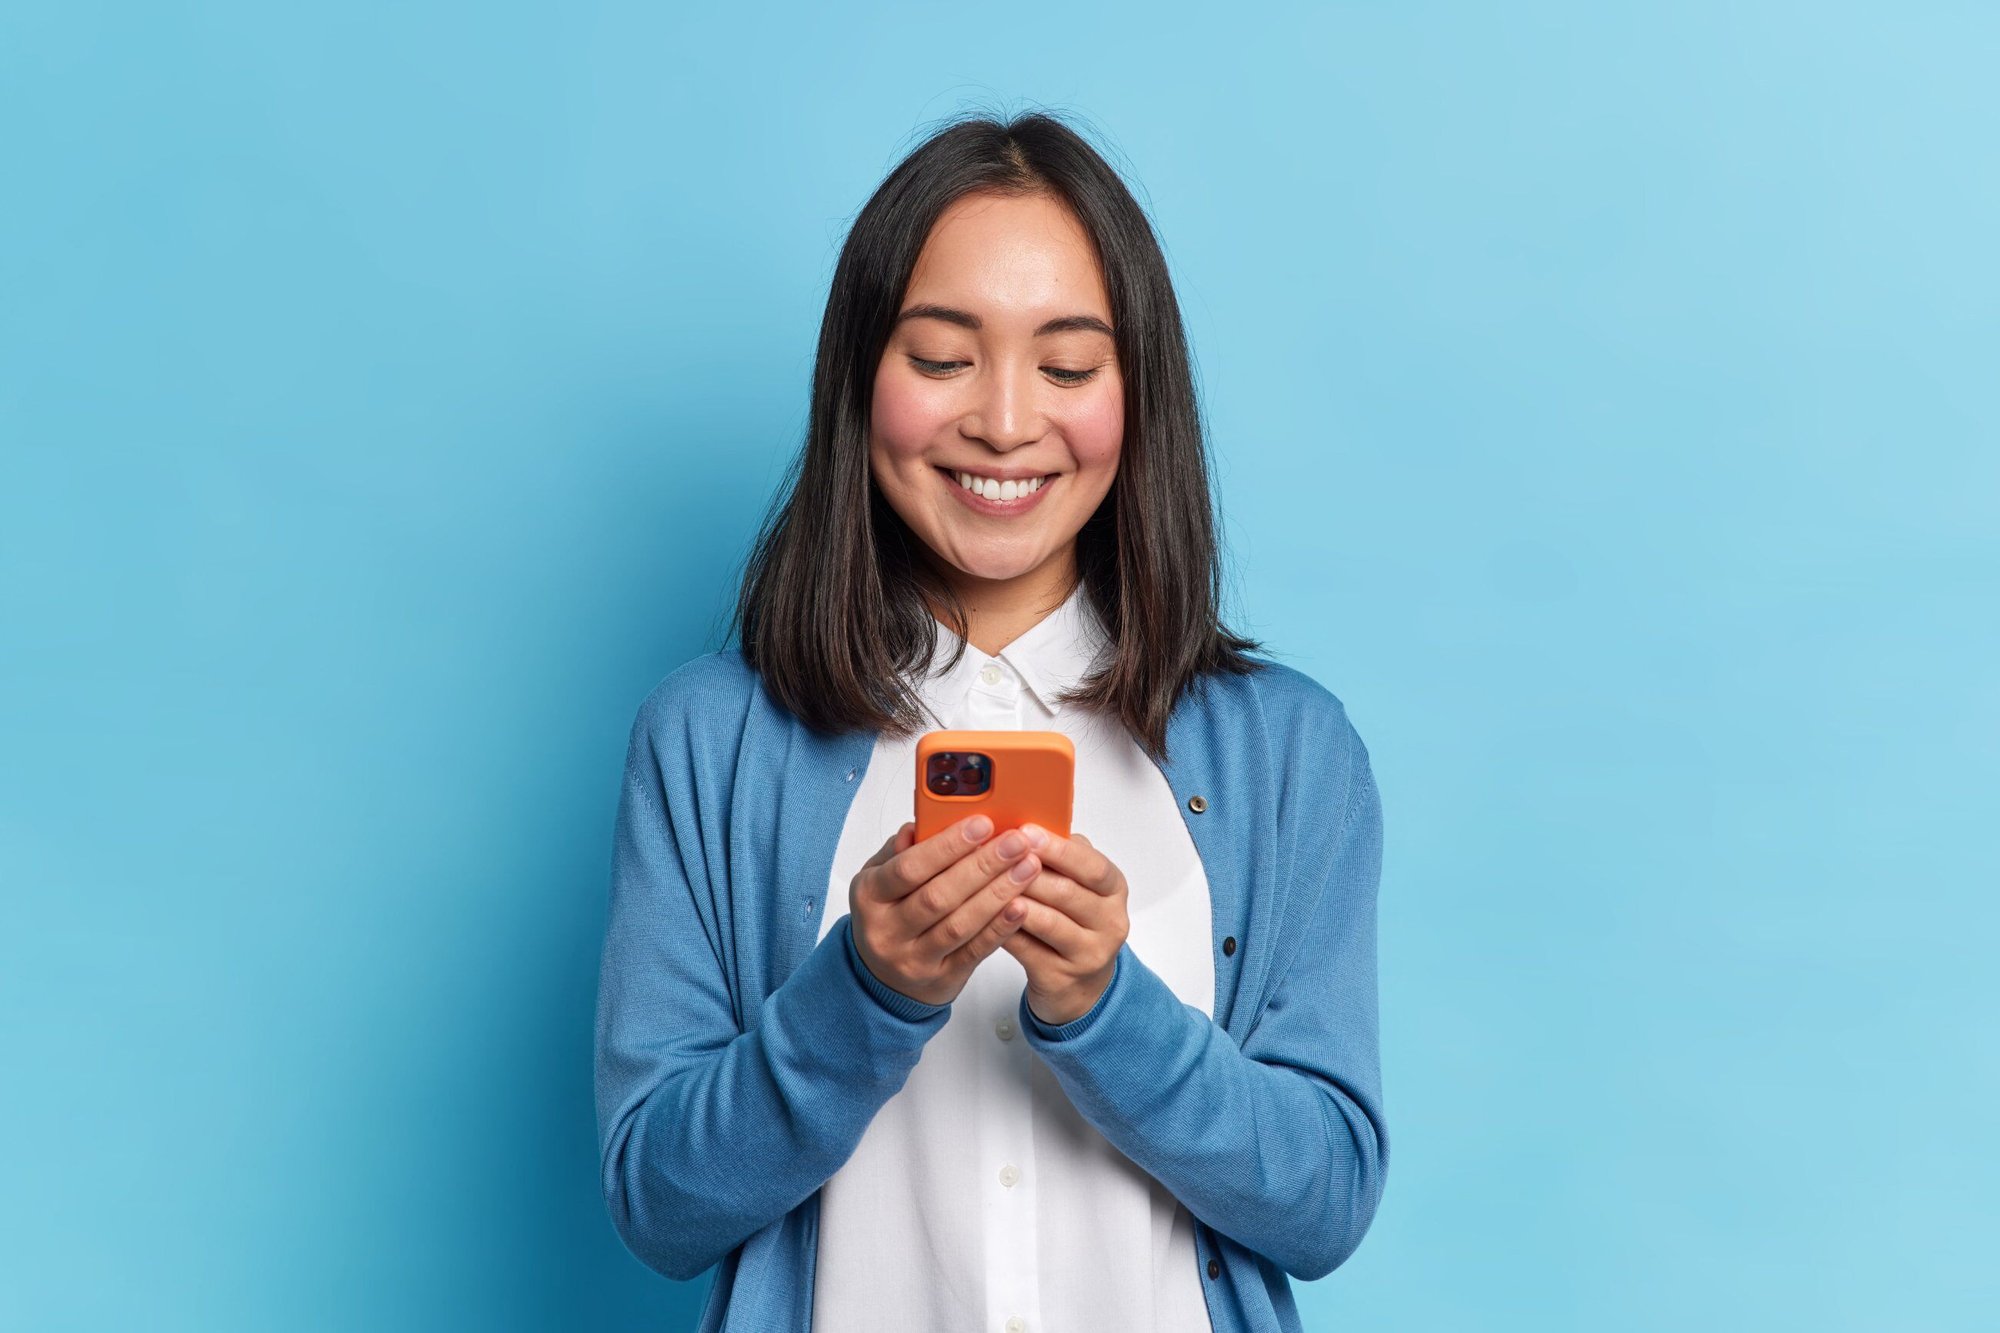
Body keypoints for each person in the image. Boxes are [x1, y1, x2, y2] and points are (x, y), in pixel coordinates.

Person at [594, 110, 1387, 1333]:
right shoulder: (710, 740)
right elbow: (658, 1204)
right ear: (860, 378)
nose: (1006, 421)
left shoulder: (1289, 755)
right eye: (941, 355)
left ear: (1137, 395)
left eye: (1067, 366)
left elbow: (1324, 1200)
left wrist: (1105, 1010)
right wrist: (863, 988)